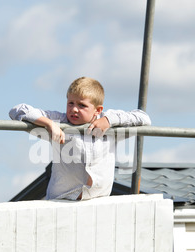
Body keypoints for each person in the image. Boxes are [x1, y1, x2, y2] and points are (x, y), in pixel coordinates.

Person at [9, 76, 151, 201]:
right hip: (61, 201)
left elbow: (144, 118)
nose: (74, 109)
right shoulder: (60, 122)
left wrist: (109, 119)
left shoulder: (109, 123)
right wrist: (49, 124)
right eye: (70, 103)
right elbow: (17, 110)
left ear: (98, 110)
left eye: (82, 105)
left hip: (99, 202)